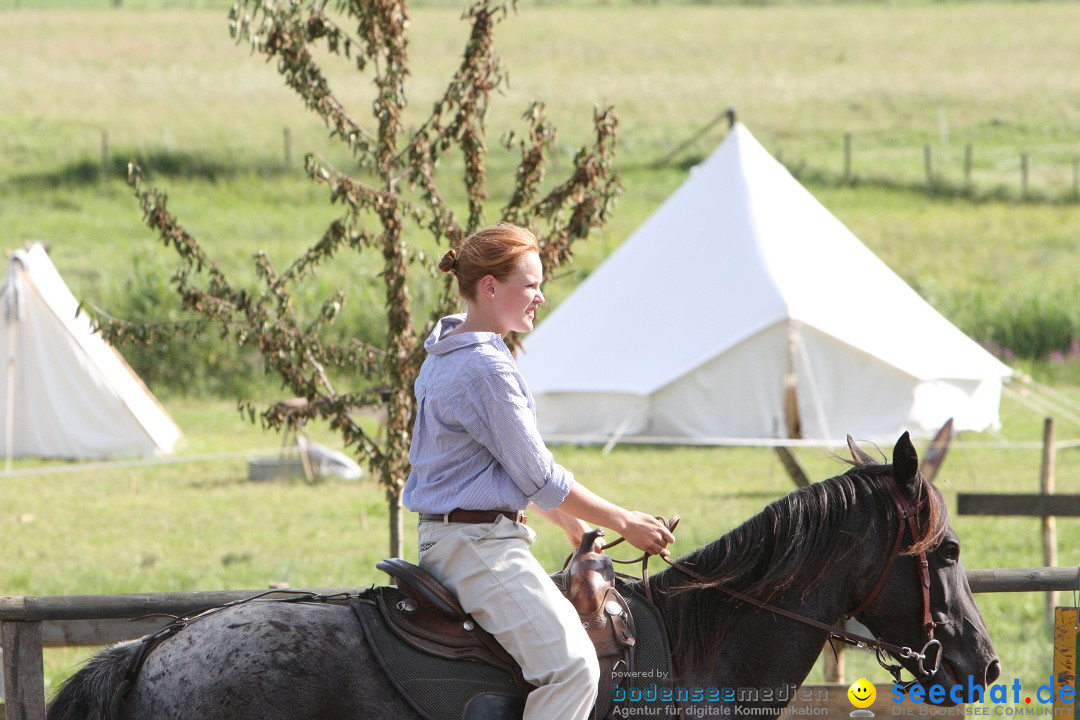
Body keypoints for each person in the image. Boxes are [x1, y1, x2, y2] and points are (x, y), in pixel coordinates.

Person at [403, 222, 675, 720]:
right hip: (476, 549)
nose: (541, 298)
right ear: (490, 287)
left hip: (453, 541)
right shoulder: (485, 368)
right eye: (530, 285)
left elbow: (485, 468)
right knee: (574, 670)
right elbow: (542, 479)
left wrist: (570, 522)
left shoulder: (444, 348)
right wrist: (626, 522)